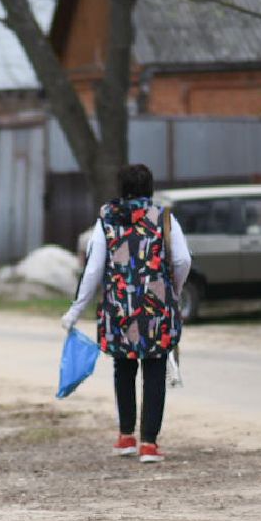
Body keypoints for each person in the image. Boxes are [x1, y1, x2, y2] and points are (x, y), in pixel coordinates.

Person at [60, 163, 190, 464]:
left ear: (121, 189)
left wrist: (76, 309)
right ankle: (149, 444)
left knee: (124, 368)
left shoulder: (107, 220)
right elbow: (182, 259)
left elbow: (93, 268)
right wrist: (173, 291)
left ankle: (125, 436)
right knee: (155, 371)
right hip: (157, 308)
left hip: (119, 309)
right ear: (150, 188)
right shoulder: (163, 218)